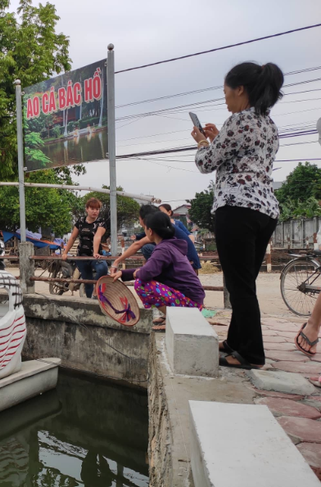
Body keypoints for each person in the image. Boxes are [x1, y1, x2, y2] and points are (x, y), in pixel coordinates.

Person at [192, 61, 284, 369]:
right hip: (265, 210)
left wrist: (204, 142)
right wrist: (219, 138)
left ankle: (252, 354)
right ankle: (235, 341)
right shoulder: (268, 124)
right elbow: (242, 155)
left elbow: (207, 162)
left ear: (240, 89)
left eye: (226, 92)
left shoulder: (239, 120)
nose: (225, 98)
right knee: (244, 281)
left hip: (236, 207)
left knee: (239, 284)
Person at [110, 212, 205, 331]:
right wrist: (124, 273)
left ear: (150, 231)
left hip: (191, 304)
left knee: (141, 284)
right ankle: (172, 317)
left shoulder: (163, 249)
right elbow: (151, 269)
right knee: (145, 278)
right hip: (195, 300)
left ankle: (176, 320)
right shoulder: (171, 245)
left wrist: (135, 274)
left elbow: (145, 273)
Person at [111, 205, 201, 273]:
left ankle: (158, 272)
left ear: (143, 218)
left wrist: (117, 261)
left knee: (147, 248)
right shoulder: (164, 225)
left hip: (188, 266)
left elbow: (137, 244)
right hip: (187, 263)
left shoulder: (158, 228)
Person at [62, 198, 108, 298]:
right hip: (82, 256)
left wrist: (95, 253)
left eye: (97, 209)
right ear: (87, 209)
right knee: (87, 282)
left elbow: (97, 236)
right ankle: (90, 302)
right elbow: (73, 237)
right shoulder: (81, 221)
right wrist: (65, 252)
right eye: (92, 208)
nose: (95, 211)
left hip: (94, 256)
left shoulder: (101, 222)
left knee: (103, 268)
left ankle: (97, 288)